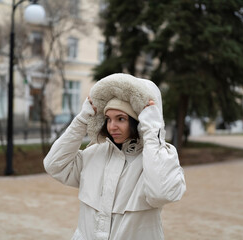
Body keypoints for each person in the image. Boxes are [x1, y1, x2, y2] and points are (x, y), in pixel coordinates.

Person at [44, 73, 186, 240]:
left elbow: (160, 193)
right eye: (108, 119)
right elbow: (54, 164)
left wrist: (152, 130)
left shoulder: (159, 157)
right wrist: (81, 121)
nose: (112, 126)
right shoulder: (94, 153)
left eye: (121, 119)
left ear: (139, 121)